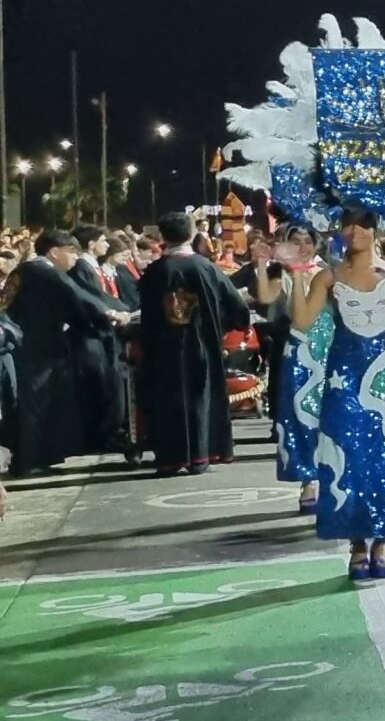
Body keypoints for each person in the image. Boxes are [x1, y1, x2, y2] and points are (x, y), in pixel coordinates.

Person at [291, 209, 385, 581]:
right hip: (345, 384)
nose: (354, 230)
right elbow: (302, 322)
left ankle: (383, 541)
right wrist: (296, 274)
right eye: (347, 223)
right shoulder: (328, 276)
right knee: (350, 463)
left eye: (362, 223)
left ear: (376, 229)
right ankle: (357, 543)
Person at [0, 230, 135, 475]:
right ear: (54, 251)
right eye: (71, 252)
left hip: (22, 346)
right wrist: (111, 314)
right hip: (39, 348)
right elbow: (78, 298)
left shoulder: (24, 271)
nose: (75, 258)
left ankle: (30, 457)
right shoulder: (45, 272)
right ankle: (30, 460)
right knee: (37, 403)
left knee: (27, 403)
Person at [134, 212, 252, 475]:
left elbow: (146, 313)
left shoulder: (154, 271)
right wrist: (231, 326)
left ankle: (171, 458)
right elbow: (235, 304)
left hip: (164, 347)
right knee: (201, 396)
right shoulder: (206, 267)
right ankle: (201, 455)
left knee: (169, 400)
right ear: (191, 234)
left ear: (162, 236)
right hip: (202, 343)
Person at [263, 223, 327, 512]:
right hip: (299, 352)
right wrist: (262, 264)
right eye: (296, 241)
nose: (302, 247)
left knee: (332, 418)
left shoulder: (328, 272)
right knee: (301, 416)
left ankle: (333, 477)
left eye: (307, 241)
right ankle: (308, 481)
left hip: (329, 351)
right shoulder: (280, 273)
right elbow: (266, 300)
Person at [65, 222, 130, 458]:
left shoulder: (92, 267)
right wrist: (119, 311)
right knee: (97, 387)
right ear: (92, 244)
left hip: (102, 334)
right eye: (103, 240)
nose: (106, 244)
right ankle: (101, 436)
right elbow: (93, 299)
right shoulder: (82, 267)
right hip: (90, 335)